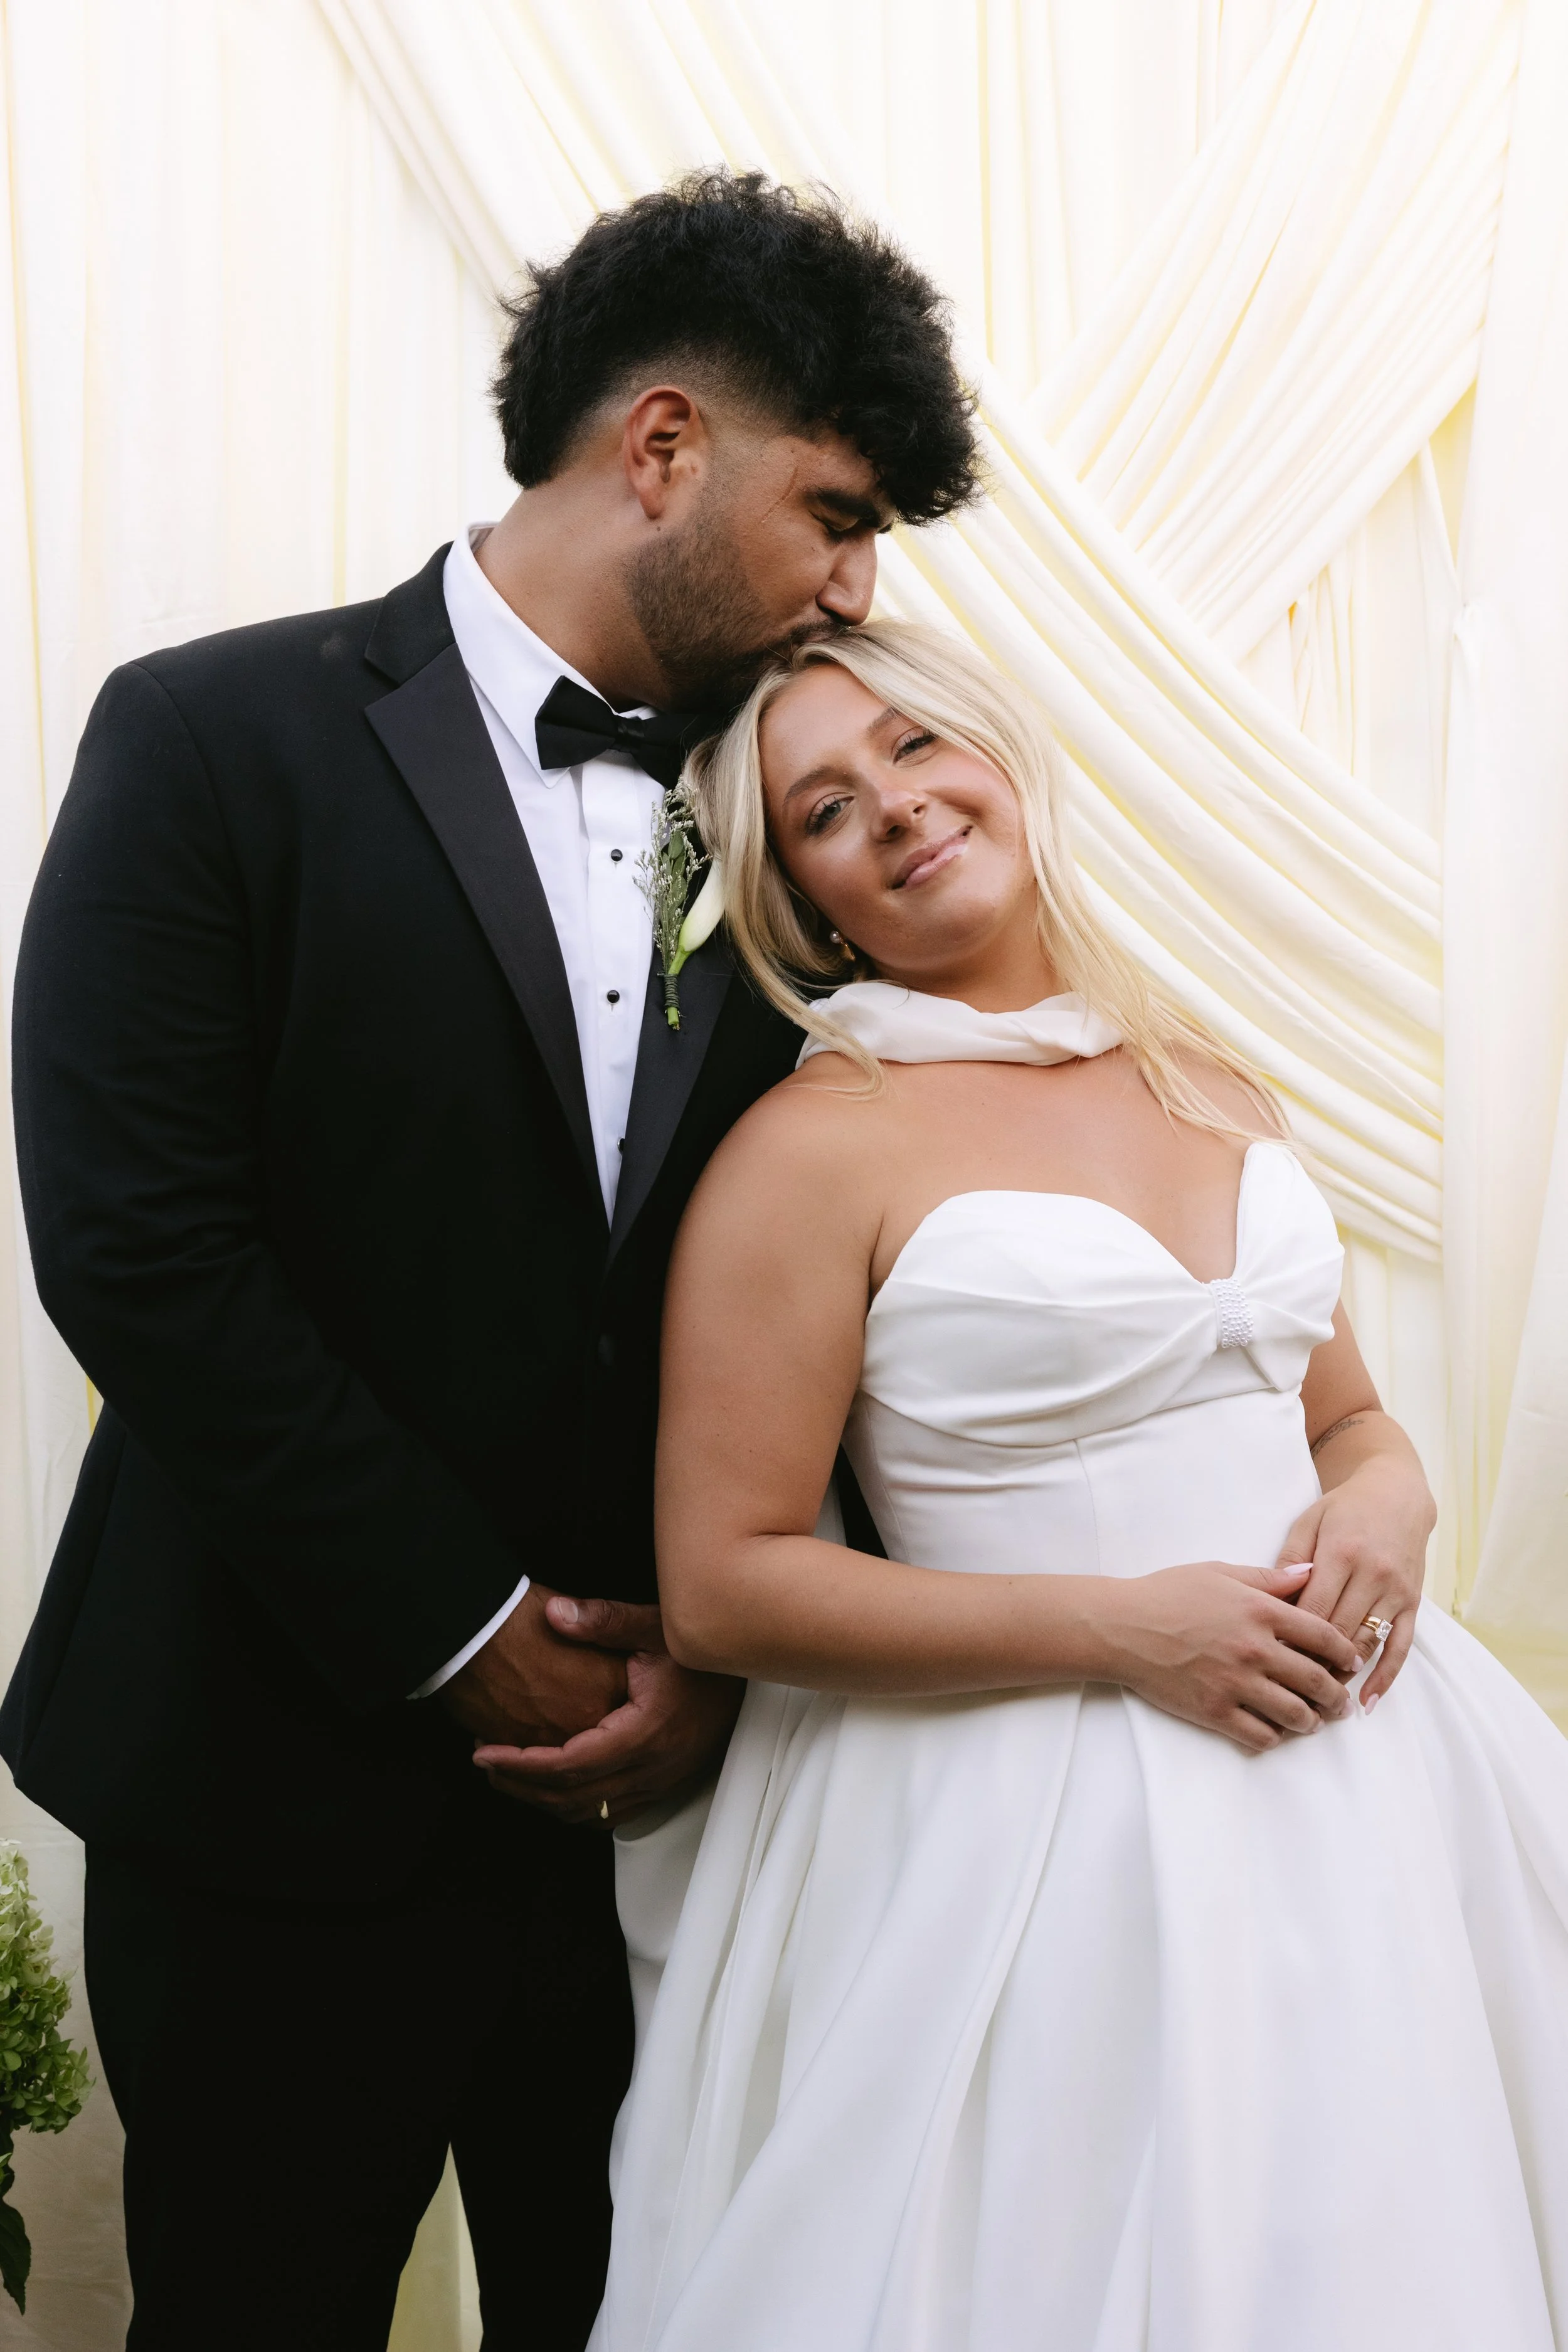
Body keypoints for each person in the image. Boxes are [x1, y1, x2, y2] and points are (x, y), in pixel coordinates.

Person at [0, 176, 984, 2350]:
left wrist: (718, 1651)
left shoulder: (797, 818)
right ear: (657, 450)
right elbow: (140, 1242)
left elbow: (861, 1270)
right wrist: (460, 1632)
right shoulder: (206, 736)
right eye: (834, 512)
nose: (855, 586)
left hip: (677, 1811)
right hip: (268, 1776)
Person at [590, 620, 1568, 2352]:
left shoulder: (1205, 1074)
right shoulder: (812, 1149)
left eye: (912, 747)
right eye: (824, 806)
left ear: (1000, 757)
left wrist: (1389, 1500)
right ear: (802, 896)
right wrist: (1122, 1633)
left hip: (1367, 1780)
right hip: (1022, 1824)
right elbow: (726, 1580)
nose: (891, 807)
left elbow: (1341, 1416)